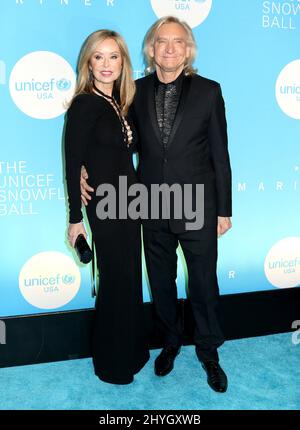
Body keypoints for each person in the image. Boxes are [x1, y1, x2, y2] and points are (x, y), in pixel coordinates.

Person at [81, 16, 232, 393]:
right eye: (161, 41)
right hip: (149, 206)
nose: (169, 48)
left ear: (188, 49)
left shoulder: (209, 92)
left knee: (202, 283)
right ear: (150, 50)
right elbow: (116, 140)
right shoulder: (134, 91)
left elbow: (221, 155)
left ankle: (209, 353)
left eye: (178, 42)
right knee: (161, 283)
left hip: (198, 204)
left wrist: (224, 210)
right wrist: (85, 169)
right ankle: (170, 343)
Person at [64, 29, 149, 385]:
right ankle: (113, 364)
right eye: (98, 57)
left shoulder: (122, 102)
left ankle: (133, 351)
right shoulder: (85, 104)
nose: (106, 64)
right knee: (115, 281)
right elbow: (72, 162)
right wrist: (74, 220)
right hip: (106, 206)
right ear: (88, 62)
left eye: (113, 56)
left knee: (129, 278)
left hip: (130, 203)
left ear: (123, 62)